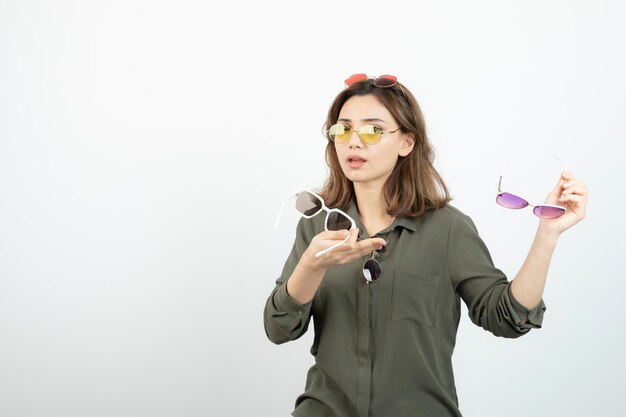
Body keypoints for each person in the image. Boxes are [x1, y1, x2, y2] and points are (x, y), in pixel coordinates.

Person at [263, 74, 588, 417]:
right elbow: (279, 328)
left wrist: (547, 236)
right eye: (342, 130)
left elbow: (506, 317)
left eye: (372, 130)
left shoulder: (448, 228)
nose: (353, 142)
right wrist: (311, 267)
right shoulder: (317, 226)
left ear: (407, 142)